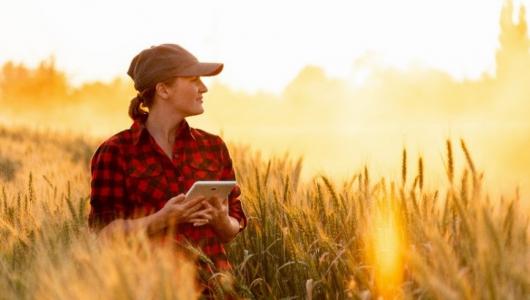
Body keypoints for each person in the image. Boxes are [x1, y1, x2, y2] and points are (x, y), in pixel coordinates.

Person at [88, 44, 247, 292]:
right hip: (149, 290)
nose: (203, 88)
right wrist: (162, 219)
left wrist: (220, 220)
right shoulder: (116, 152)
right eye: (194, 79)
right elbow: (104, 234)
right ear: (163, 89)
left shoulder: (213, 146)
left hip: (214, 289)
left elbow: (233, 224)